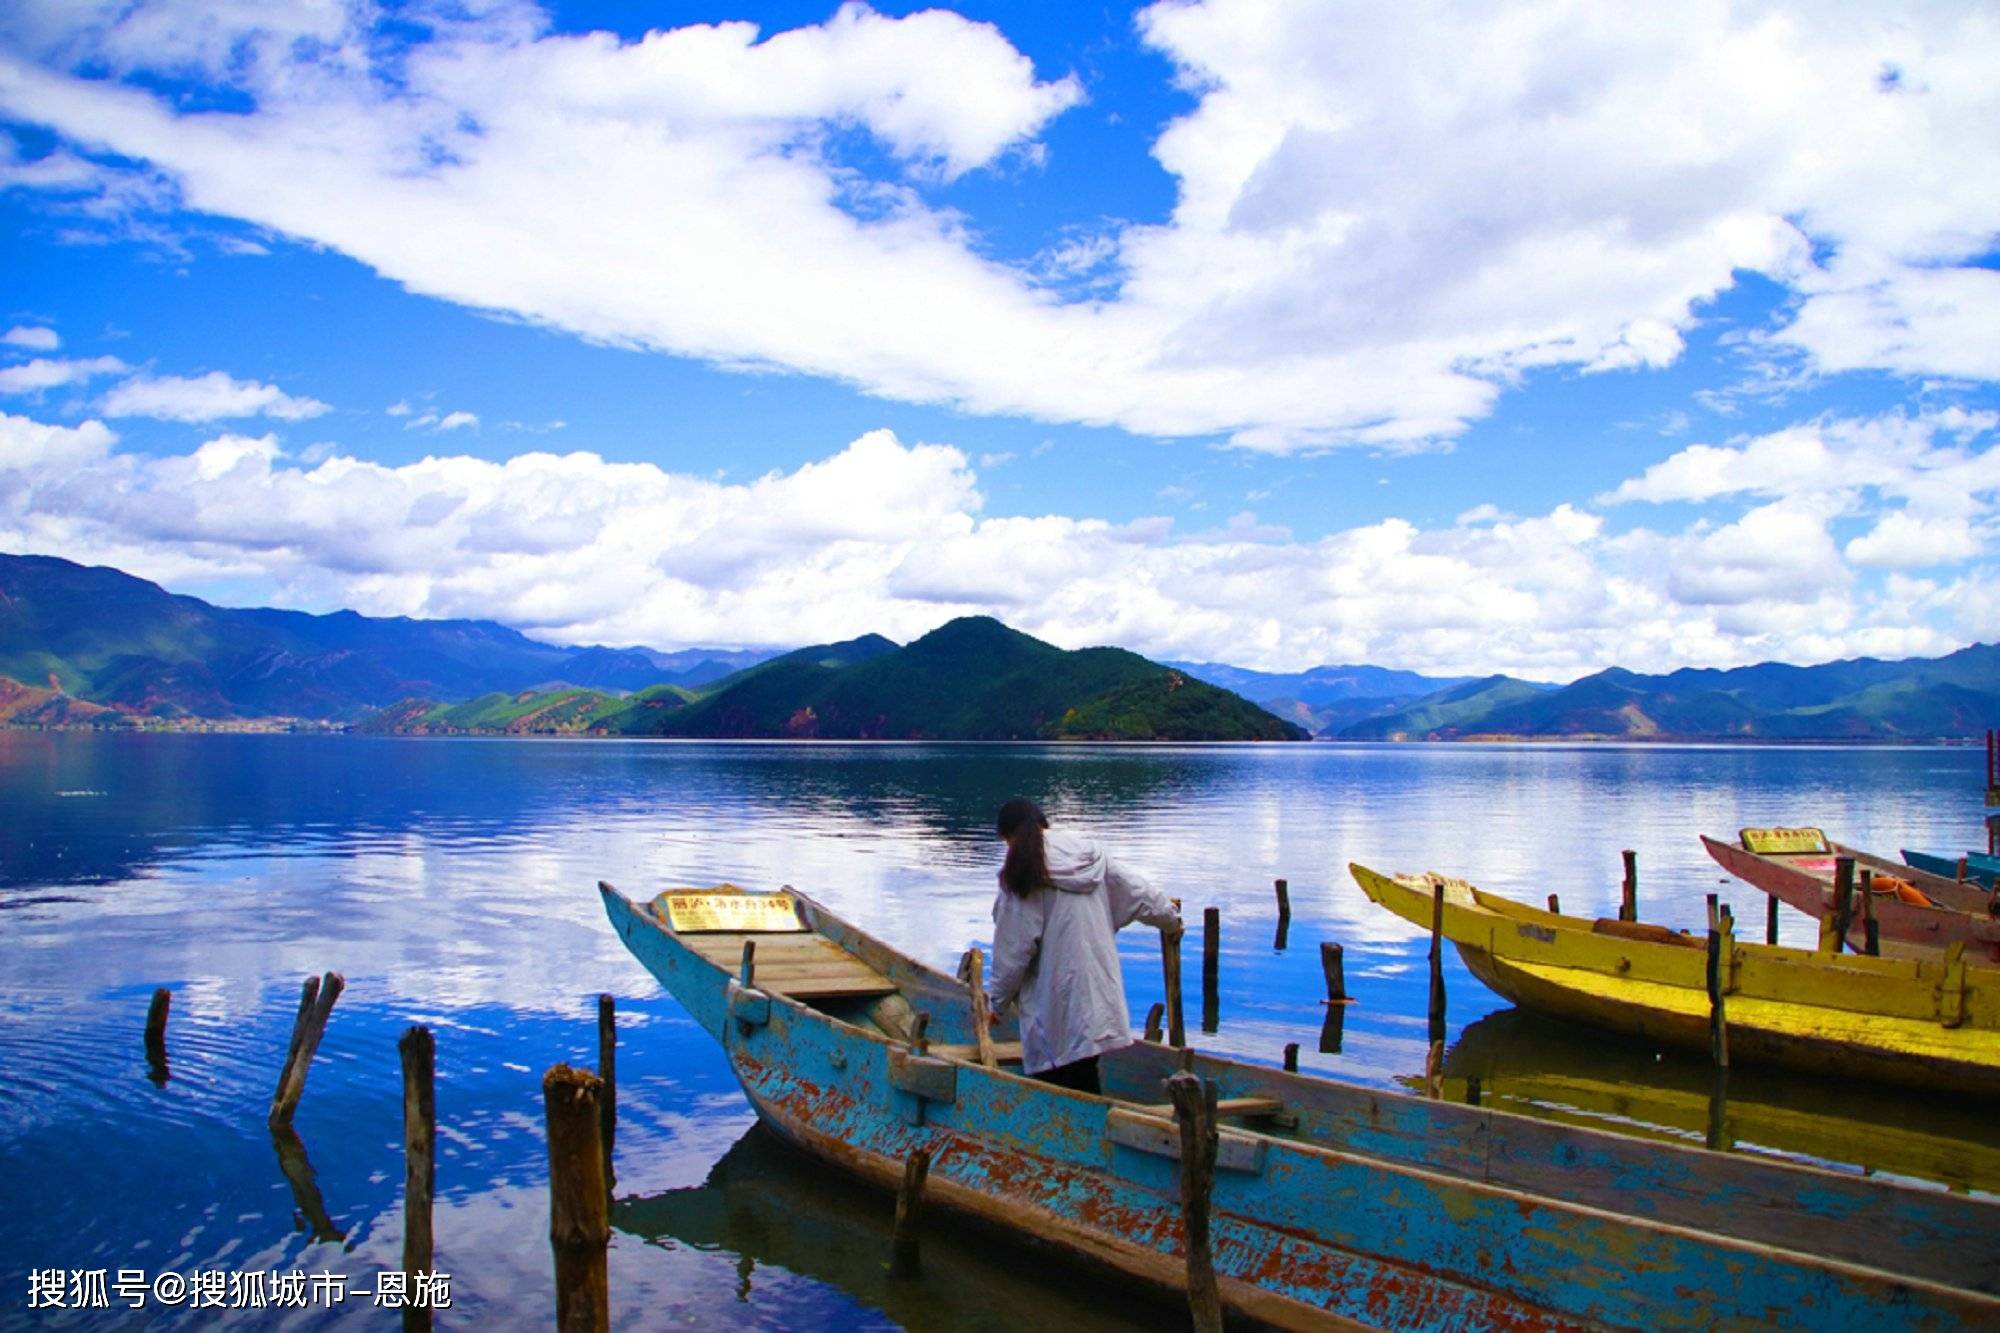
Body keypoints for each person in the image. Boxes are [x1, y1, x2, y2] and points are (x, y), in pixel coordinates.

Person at [984, 797, 1181, 1094]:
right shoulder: (1089, 856)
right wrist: (1172, 921)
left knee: (1060, 1086)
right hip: (1098, 997)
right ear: (1043, 823)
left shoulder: (1023, 869)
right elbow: (1141, 894)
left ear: (1007, 837)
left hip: (1054, 1005)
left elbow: (1013, 951)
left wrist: (996, 1004)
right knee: (1085, 1072)